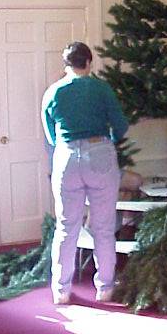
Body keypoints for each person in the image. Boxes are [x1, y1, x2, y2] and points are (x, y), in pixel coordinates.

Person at [41, 41, 129, 305]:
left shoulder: (53, 92)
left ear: (66, 64)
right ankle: (105, 288)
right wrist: (108, 140)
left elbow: (50, 136)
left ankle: (61, 290)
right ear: (89, 63)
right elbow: (120, 125)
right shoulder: (101, 89)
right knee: (103, 227)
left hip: (67, 156)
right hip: (99, 151)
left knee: (66, 226)